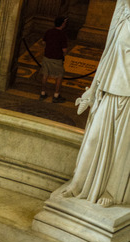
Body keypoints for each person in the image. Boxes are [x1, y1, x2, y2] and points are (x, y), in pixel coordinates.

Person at [60, 1, 130, 207]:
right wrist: (90, 93)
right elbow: (107, 57)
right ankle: (79, 184)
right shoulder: (122, 21)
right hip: (109, 90)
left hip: (128, 97)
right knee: (92, 141)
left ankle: (110, 190)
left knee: (121, 148)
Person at [40, 17, 68, 103]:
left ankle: (43, 93)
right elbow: (64, 50)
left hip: (47, 57)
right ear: (62, 24)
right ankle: (56, 95)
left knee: (45, 74)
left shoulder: (49, 31)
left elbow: (43, 42)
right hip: (57, 59)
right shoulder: (62, 35)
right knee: (59, 76)